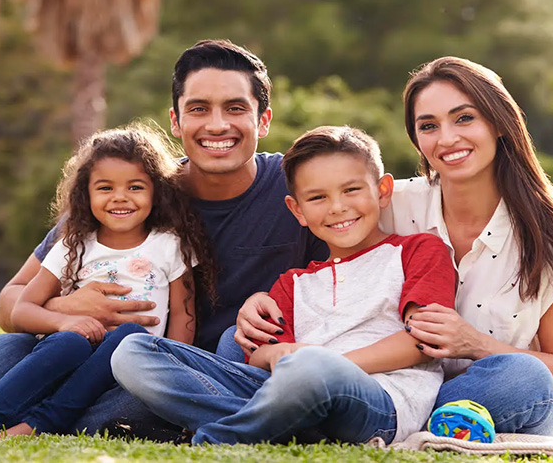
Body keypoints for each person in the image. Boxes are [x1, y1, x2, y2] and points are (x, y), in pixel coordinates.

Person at [0, 39, 327, 435]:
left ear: (264, 118)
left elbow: (364, 231)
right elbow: (9, 302)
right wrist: (69, 306)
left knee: (118, 410)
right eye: (199, 108)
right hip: (66, 347)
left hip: (172, 372)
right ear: (175, 120)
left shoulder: (299, 188)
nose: (217, 124)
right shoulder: (132, 194)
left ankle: (14, 420)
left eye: (235, 108)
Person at [234, 56, 553, 436]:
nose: (447, 138)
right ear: (416, 139)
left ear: (499, 123)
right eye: (428, 126)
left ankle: (355, 419)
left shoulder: (552, 241)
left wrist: (473, 344)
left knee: (525, 379)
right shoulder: (390, 202)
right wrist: (260, 302)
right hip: (374, 377)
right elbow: (326, 270)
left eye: (464, 118)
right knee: (239, 341)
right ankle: (333, 411)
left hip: (465, 395)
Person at [111, 125, 457, 445]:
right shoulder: (294, 283)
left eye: (351, 190)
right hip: (288, 391)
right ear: (298, 210)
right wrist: (281, 355)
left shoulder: (418, 250)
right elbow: (262, 356)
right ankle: (283, 426)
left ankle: (215, 438)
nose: (338, 207)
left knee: (308, 370)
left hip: (380, 398)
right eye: (318, 198)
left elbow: (422, 340)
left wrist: (320, 361)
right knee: (133, 352)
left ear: (382, 191)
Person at [0, 125, 216, 439]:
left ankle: (35, 425)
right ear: (85, 193)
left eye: (135, 187)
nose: (120, 197)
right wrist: (64, 322)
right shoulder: (73, 244)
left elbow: (184, 316)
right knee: (70, 341)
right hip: (69, 352)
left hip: (130, 365)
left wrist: (172, 368)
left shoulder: (170, 245)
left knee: (129, 335)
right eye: (105, 188)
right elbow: (22, 309)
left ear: (156, 191)